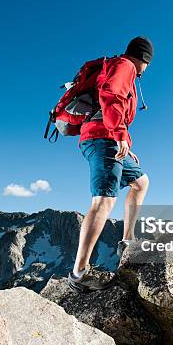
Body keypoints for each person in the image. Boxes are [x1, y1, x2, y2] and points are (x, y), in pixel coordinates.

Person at [68, 36, 153, 293]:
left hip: (110, 139)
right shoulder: (125, 66)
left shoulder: (123, 67)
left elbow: (114, 105)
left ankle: (127, 241)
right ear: (145, 59)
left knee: (140, 182)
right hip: (102, 138)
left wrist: (125, 142)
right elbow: (110, 94)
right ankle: (79, 273)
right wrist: (118, 135)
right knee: (104, 200)